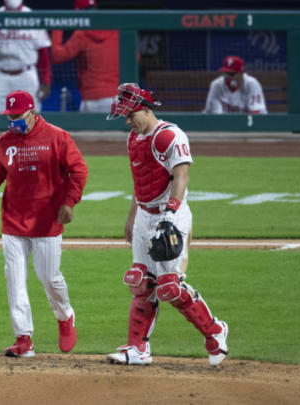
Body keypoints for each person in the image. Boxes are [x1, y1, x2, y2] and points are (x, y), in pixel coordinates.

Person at [105, 83, 229, 366]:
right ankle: (138, 350)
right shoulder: (133, 139)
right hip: (144, 215)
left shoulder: (169, 135)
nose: (127, 122)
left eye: (130, 115)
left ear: (145, 109)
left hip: (169, 214)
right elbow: (140, 184)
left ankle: (215, 331)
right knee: (141, 282)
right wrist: (131, 217)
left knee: (170, 286)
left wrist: (171, 215)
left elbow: (181, 175)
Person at [0, 90, 89, 357]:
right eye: (9, 116)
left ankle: (65, 316)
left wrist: (69, 202)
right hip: (13, 220)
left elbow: (79, 170)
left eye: (17, 116)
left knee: (49, 277)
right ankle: (23, 338)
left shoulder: (57, 137)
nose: (13, 120)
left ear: (32, 113)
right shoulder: (5, 141)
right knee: (14, 280)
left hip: (47, 220)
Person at [0, 0, 52, 113]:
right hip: (0, 76)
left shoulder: (32, 17)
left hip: (27, 74)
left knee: (30, 120)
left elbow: (43, 55)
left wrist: (46, 81)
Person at [50, 0, 119, 113]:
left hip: (91, 99)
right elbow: (135, 57)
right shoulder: (116, 31)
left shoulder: (82, 34)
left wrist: (57, 28)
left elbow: (57, 56)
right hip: (117, 99)